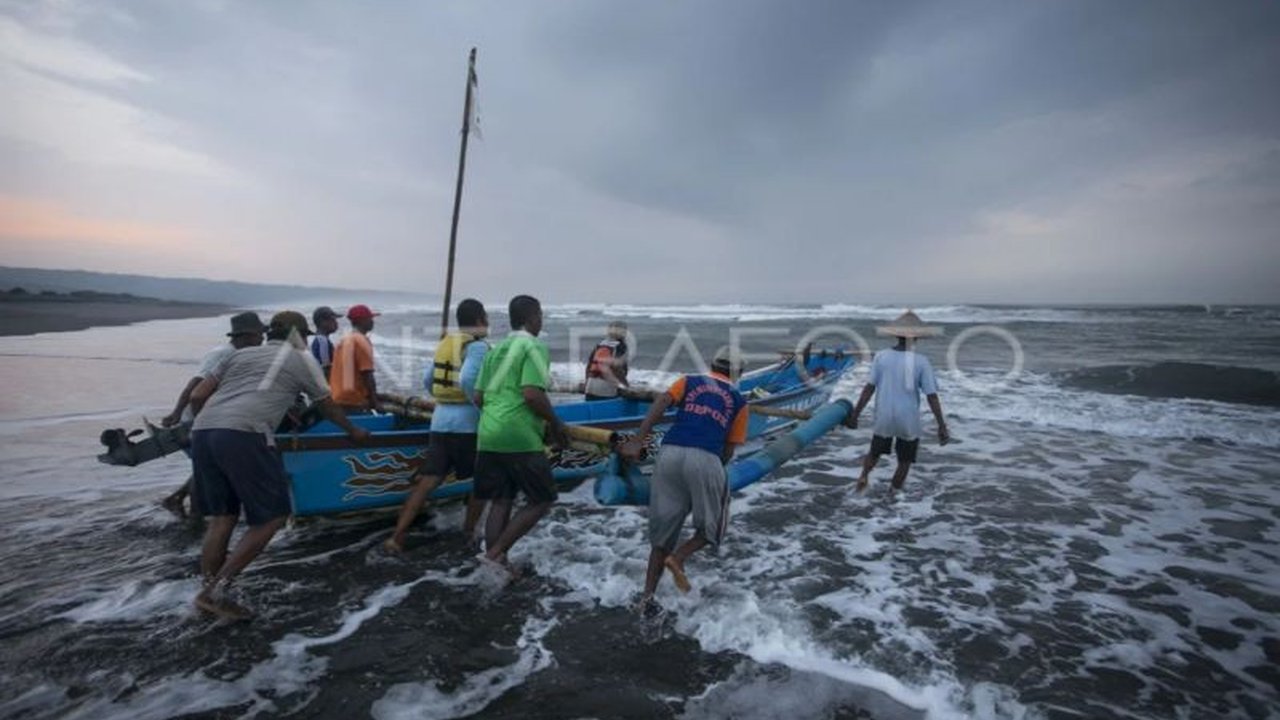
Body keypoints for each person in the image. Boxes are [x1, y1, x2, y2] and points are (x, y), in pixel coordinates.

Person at [187, 311, 369, 619]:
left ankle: (208, 587)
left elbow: (197, 394)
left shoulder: (240, 355)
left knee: (223, 517)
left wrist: (215, 420)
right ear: (297, 336)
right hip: (244, 435)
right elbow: (326, 405)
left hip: (203, 432)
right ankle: (215, 592)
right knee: (272, 517)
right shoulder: (301, 359)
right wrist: (354, 431)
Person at [621, 347, 749, 609]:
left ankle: (647, 597)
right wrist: (711, 474)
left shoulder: (688, 381)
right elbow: (728, 448)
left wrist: (638, 439)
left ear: (711, 364)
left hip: (669, 454)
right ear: (738, 374)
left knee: (661, 537)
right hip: (705, 458)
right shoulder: (739, 400)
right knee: (712, 528)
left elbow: (661, 402)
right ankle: (679, 558)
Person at [384, 299, 491, 553]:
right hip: (467, 424)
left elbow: (427, 379)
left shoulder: (447, 343)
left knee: (428, 481)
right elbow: (467, 380)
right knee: (482, 480)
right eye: (485, 318)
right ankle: (468, 533)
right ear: (478, 320)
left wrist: (443, 399)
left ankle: (397, 536)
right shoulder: (477, 347)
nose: (487, 323)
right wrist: (481, 407)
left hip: (440, 420)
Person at [473, 295, 569, 573]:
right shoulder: (533, 345)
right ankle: (496, 553)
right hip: (518, 436)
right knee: (542, 499)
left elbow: (478, 397)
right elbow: (531, 394)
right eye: (540, 316)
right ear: (531, 317)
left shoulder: (495, 350)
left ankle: (498, 565)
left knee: (501, 500)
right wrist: (555, 423)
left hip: (488, 434)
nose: (541, 321)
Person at [159, 312, 266, 517]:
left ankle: (177, 499)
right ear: (247, 335)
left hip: (209, 418)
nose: (262, 339)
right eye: (260, 334)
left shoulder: (234, 353)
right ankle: (195, 517)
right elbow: (195, 386)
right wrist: (177, 413)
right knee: (208, 472)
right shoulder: (224, 354)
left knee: (208, 467)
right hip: (199, 419)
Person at [848, 310, 950, 496]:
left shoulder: (881, 356)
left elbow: (869, 388)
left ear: (896, 335)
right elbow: (931, 396)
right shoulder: (921, 362)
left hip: (884, 415)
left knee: (874, 452)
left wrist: (855, 414)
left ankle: (863, 478)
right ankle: (893, 495)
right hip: (908, 418)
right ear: (917, 338)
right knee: (905, 460)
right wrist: (941, 425)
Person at [331, 303, 380, 412]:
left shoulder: (344, 340)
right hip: (353, 399)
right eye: (369, 318)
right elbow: (367, 374)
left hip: (338, 396)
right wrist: (375, 402)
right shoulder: (362, 341)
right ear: (361, 321)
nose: (372, 321)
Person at [584, 320, 631, 401]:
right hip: (606, 390)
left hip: (590, 386)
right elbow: (616, 368)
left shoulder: (600, 344)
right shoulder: (620, 346)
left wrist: (586, 383)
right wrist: (625, 385)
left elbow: (589, 366)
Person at [309, 306, 339, 378]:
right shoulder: (323, 341)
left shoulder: (319, 340)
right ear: (323, 322)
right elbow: (326, 369)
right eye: (333, 320)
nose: (336, 323)